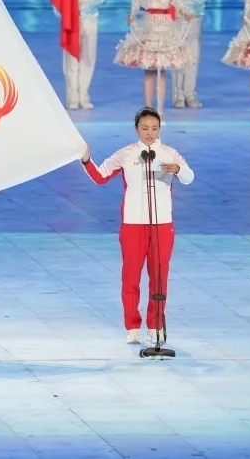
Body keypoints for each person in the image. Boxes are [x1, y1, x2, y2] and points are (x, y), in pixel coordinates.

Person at [80, 106, 194, 345]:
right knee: (130, 276)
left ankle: (155, 325)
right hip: (133, 225)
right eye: (145, 128)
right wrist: (86, 159)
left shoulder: (170, 154)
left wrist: (179, 169)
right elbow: (100, 176)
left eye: (154, 128)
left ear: (159, 129)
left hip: (162, 225)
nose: (150, 133)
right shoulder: (125, 154)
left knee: (159, 277)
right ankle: (132, 326)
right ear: (136, 129)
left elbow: (189, 178)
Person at [113, 0, 192, 111]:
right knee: (149, 69)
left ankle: (160, 109)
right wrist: (131, 16)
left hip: (166, 26)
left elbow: (178, 3)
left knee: (162, 69)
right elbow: (135, 3)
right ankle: (149, 107)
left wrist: (186, 13)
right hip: (149, 25)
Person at [64, 0, 106, 110]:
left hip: (90, 19)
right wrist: (67, 13)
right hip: (71, 21)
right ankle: (72, 96)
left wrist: (82, 8)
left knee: (88, 57)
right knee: (71, 58)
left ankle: (83, 94)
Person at [171, 0, 211, 109]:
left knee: (193, 55)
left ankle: (190, 94)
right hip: (176, 17)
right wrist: (181, 8)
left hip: (194, 17)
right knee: (177, 54)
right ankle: (178, 95)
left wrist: (190, 7)